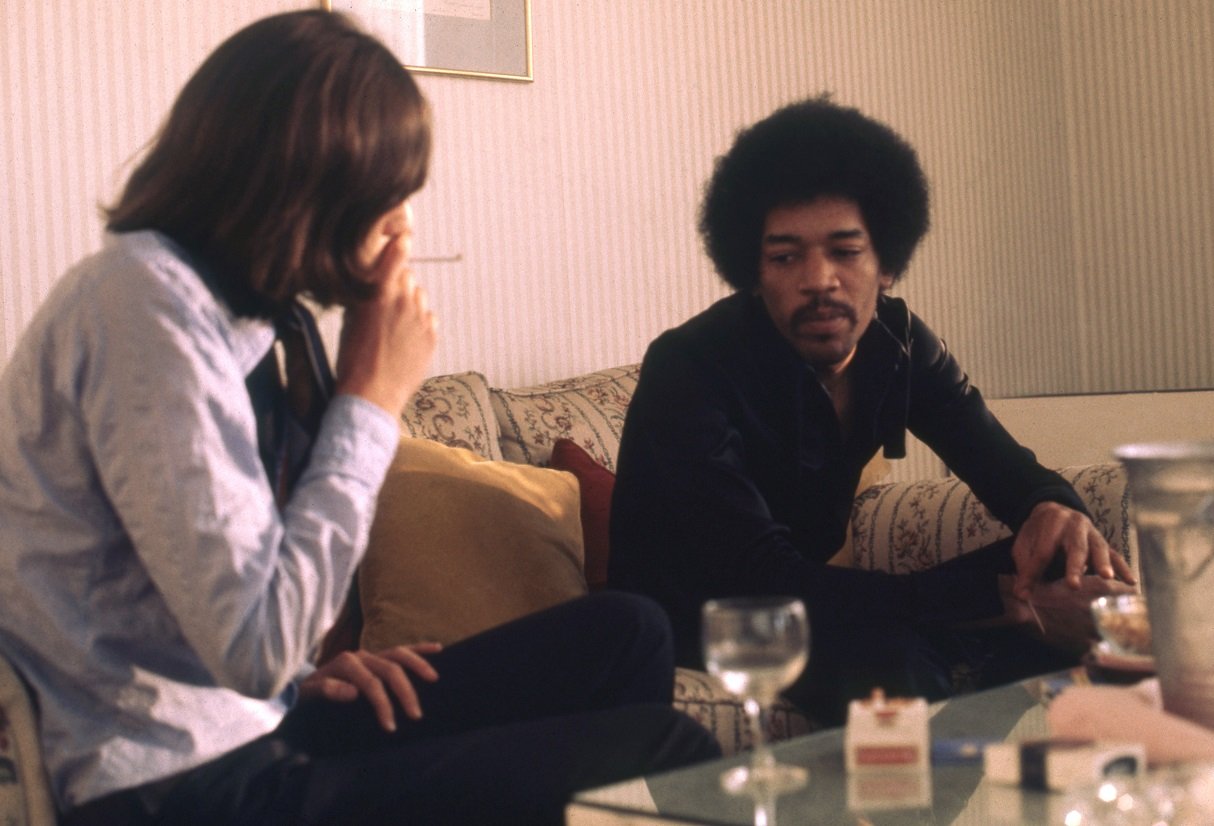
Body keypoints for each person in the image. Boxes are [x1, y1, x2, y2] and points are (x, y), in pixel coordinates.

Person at [0, 11, 718, 826]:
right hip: (174, 786)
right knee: (672, 750)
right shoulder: (145, 316)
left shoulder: (241, 314)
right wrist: (370, 403)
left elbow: (239, 619)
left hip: (251, 722)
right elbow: (256, 640)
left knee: (627, 634)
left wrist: (300, 680)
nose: (404, 224)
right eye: (389, 192)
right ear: (303, 184)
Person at [608, 95, 1137, 726]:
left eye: (845, 250)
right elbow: (759, 573)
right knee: (894, 660)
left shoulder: (900, 342)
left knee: (1058, 566)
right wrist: (993, 598)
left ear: (886, 262)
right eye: (785, 256)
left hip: (819, 601)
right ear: (752, 271)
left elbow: (1009, 469)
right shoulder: (688, 367)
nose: (819, 278)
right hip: (712, 618)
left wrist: (1054, 511)